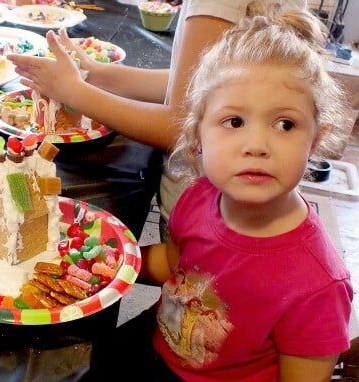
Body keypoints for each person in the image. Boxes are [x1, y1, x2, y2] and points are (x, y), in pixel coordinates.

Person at [134, 2, 354, 380]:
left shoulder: (319, 286)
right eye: (234, 121)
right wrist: (113, 261)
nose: (256, 145)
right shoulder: (199, 196)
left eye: (285, 124)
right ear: (198, 134)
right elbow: (175, 265)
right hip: (161, 345)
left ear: (315, 140)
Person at [7, 0, 310, 243]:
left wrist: (75, 92)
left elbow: (181, 126)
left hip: (204, 202)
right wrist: (100, 75)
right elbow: (202, 84)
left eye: (284, 124)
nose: (256, 145)